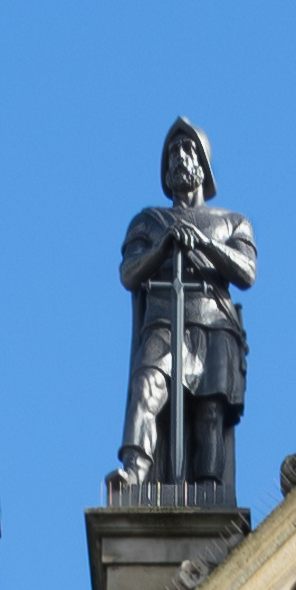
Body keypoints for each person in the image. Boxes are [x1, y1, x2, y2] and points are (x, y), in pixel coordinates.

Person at [114, 121, 255, 499]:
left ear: (204, 165)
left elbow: (247, 273)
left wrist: (206, 245)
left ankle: (210, 490)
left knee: (210, 413)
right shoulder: (148, 221)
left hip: (214, 323)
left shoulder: (232, 222)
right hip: (163, 321)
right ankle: (134, 470)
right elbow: (128, 274)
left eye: (188, 151)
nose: (180, 157)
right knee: (146, 385)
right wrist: (162, 247)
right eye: (173, 152)